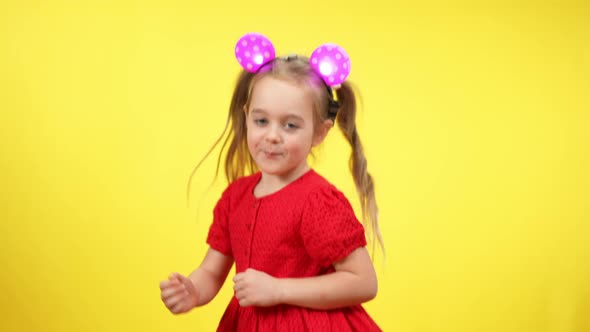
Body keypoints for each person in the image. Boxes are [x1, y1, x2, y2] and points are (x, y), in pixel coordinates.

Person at [160, 33, 384, 331]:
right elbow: (211, 272)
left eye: (290, 125)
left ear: (319, 133)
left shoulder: (318, 201)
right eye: (261, 121)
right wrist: (193, 290)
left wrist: (278, 289)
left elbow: (363, 282)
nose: (272, 135)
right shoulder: (235, 197)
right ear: (246, 117)